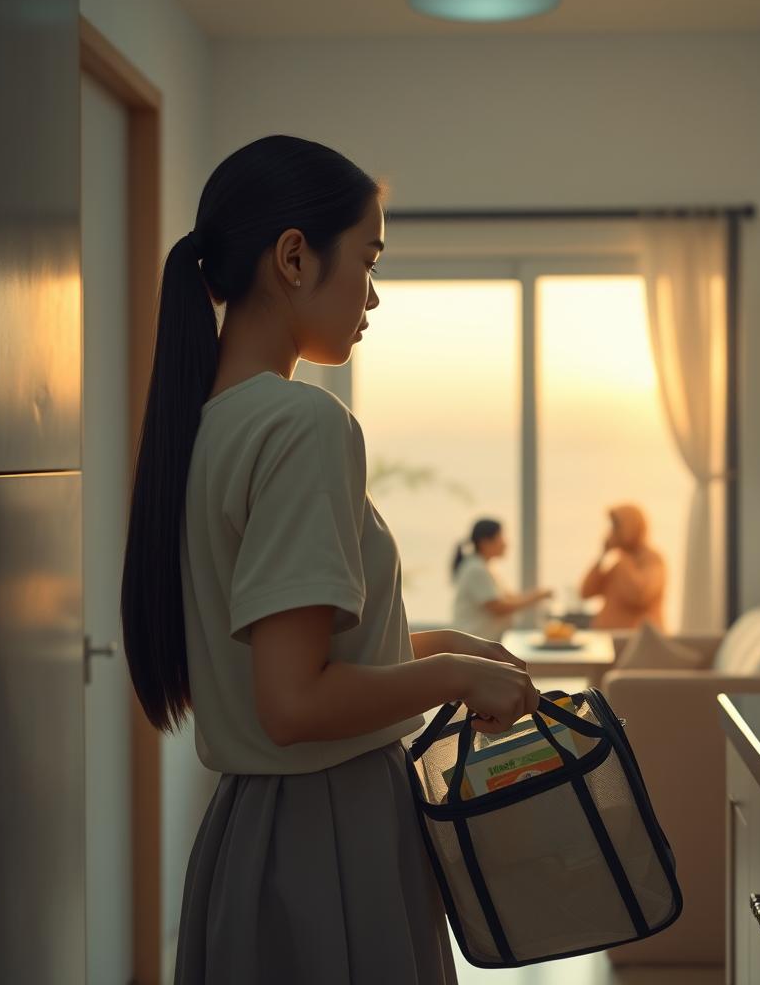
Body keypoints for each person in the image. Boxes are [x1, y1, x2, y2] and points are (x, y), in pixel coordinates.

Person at [119, 135, 540, 985]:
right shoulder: (301, 425)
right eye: (369, 260)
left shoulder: (206, 428)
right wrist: (457, 681)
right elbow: (293, 702)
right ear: (293, 257)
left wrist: (443, 647)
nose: (373, 296)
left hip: (251, 837)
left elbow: (283, 661)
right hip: (331, 840)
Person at [452, 518, 553, 641]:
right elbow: (498, 607)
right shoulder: (476, 569)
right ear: (485, 542)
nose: (505, 543)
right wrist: (537, 596)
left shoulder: (484, 567)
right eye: (500, 537)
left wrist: (538, 595)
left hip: (480, 645)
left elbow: (509, 598)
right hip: (474, 646)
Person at [579, 503, 666, 631]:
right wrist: (602, 556)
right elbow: (586, 592)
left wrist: (622, 554)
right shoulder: (618, 564)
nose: (612, 532)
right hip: (611, 640)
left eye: (617, 527)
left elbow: (640, 594)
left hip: (637, 642)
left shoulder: (652, 560)